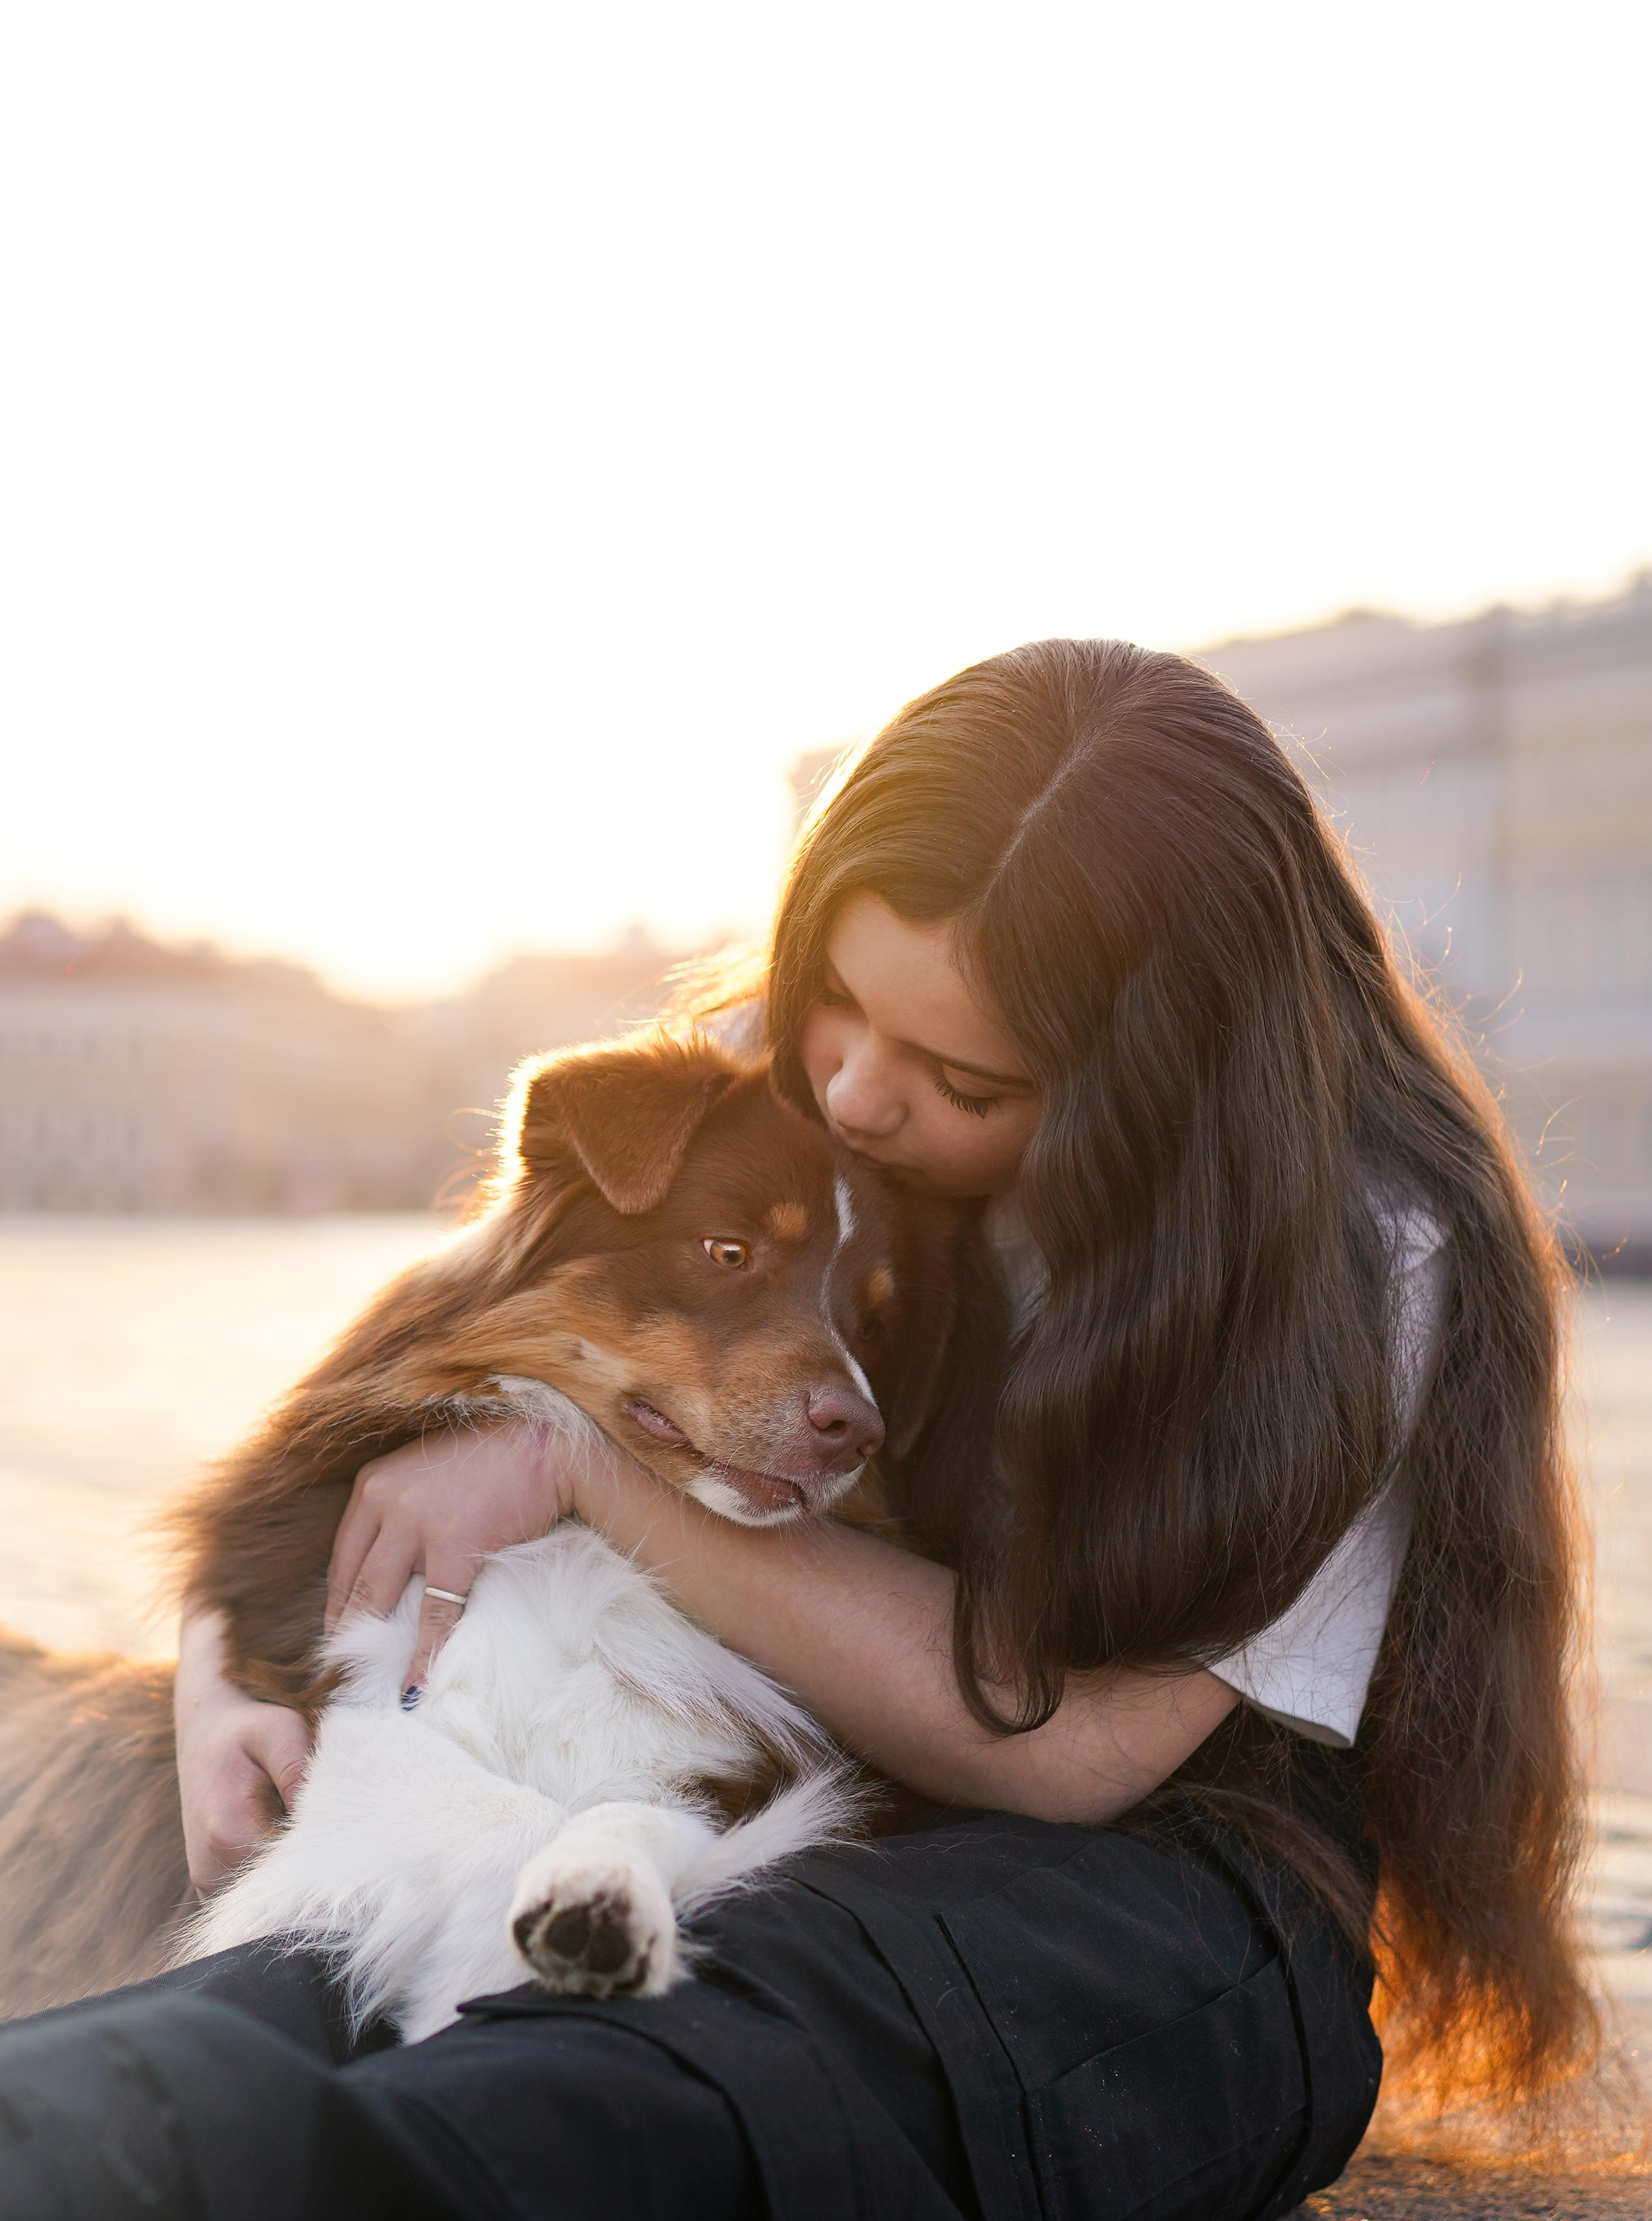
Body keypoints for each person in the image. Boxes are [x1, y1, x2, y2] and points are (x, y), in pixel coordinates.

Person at [0, 639, 1591, 2221]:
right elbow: (344, 1424)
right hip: (797, 1791)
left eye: (959, 1074)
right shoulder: (807, 1098)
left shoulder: (1357, 1250)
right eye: (832, 997)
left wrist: (582, 1466)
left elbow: (1075, 1746)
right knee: (307, 1968)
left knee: (672, 2059)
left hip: (1151, 1901)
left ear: (1149, 1075)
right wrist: (224, 1677)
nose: (849, 1089)